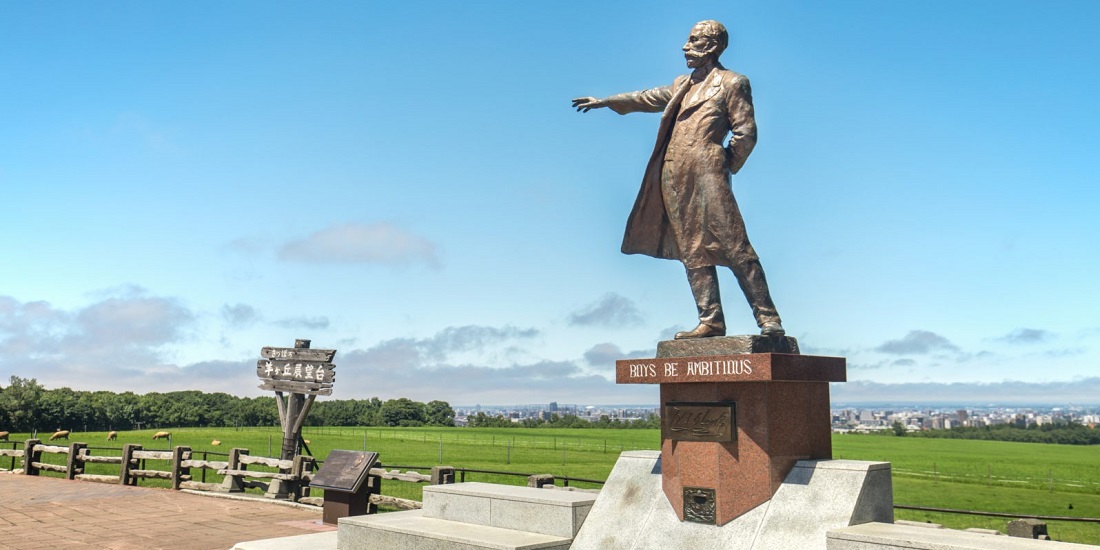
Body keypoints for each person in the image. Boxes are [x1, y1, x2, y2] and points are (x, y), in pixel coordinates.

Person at [572, 20, 784, 339]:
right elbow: (644, 98)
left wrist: (722, 162)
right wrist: (605, 101)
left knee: (735, 244)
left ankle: (769, 320)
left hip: (709, 171)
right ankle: (710, 318)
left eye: (694, 41)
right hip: (674, 174)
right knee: (691, 249)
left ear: (712, 46)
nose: (685, 47)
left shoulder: (732, 83)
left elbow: (746, 133)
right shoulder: (681, 85)